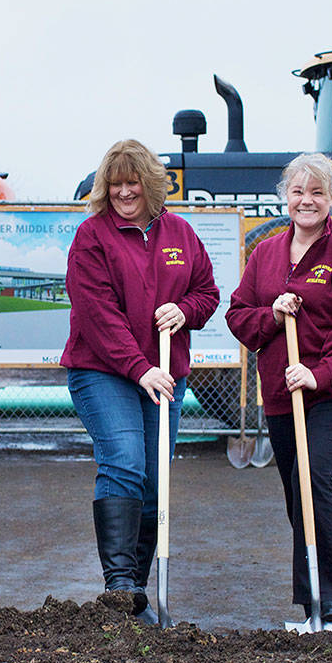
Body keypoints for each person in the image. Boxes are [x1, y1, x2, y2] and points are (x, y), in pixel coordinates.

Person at [226, 152, 332, 629]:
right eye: (298, 192)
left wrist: (319, 373)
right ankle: (311, 607)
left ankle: (331, 605)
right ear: (285, 197)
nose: (307, 201)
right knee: (296, 492)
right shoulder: (266, 255)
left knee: (311, 476)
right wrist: (273, 316)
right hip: (282, 392)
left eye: (317, 192)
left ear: (331, 198)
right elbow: (240, 318)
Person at [61, 140, 220, 622]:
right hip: (103, 371)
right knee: (126, 460)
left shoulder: (181, 234)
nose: (124, 191)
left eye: (133, 182)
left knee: (155, 481)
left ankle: (136, 596)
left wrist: (185, 309)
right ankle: (119, 585)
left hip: (165, 375)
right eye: (115, 183)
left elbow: (207, 292)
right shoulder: (92, 238)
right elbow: (97, 315)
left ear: (150, 183)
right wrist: (139, 367)